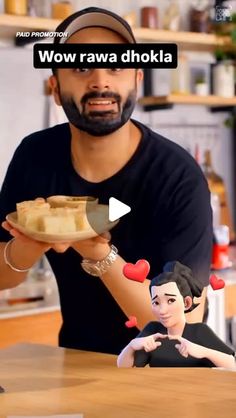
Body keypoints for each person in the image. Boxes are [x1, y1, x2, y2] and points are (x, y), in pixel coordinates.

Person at [0, 7, 213, 355]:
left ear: (136, 81)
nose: (100, 81)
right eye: (81, 68)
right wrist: (33, 239)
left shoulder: (177, 175)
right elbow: (2, 275)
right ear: (54, 87)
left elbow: (182, 325)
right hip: (77, 363)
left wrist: (97, 251)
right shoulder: (35, 156)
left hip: (166, 374)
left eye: (115, 67)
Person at [117, 261, 235, 368]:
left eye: (171, 301)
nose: (162, 310)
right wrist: (132, 346)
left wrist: (204, 351)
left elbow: (232, 364)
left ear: (186, 303)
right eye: (156, 303)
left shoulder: (199, 331)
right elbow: (123, 367)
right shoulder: (152, 330)